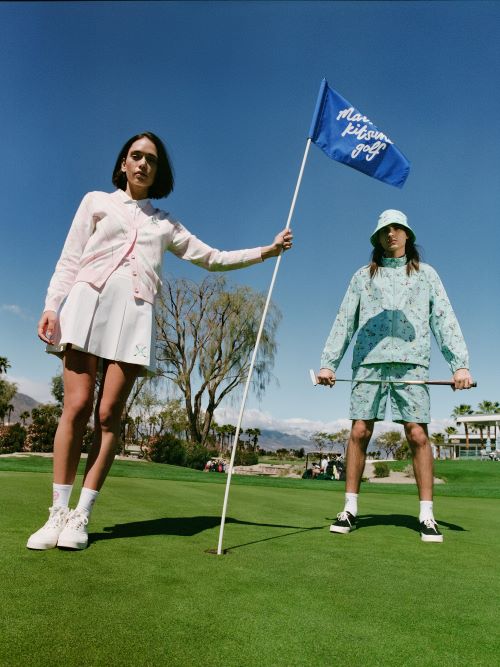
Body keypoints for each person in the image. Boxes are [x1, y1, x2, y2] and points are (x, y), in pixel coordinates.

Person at [27, 131, 293, 551]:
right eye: (136, 156)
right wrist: (51, 305)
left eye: (151, 159)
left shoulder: (165, 223)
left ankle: (81, 516)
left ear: (158, 171)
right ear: (123, 164)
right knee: (76, 407)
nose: (142, 164)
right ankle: (57, 513)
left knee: (109, 415)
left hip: (134, 315)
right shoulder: (95, 201)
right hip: (85, 305)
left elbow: (212, 258)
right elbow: (69, 258)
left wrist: (267, 250)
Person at [315, 209, 472, 543]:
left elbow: (444, 319)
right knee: (359, 431)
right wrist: (329, 363)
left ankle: (427, 515)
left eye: (397, 228)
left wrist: (459, 365)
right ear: (378, 238)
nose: (391, 234)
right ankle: (349, 509)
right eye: (385, 230)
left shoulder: (427, 275)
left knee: (417, 435)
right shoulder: (363, 276)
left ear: (407, 235)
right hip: (368, 363)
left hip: (411, 364)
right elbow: (345, 319)